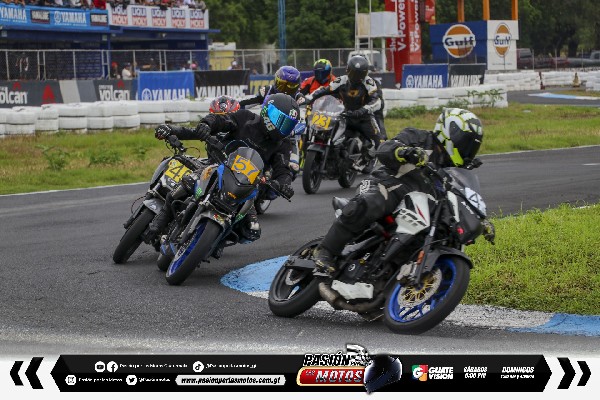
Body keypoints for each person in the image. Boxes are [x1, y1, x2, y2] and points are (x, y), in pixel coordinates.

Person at [312, 108, 495, 275]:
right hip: (386, 183)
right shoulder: (419, 137)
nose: (467, 150)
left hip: (417, 208)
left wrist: (479, 219)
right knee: (374, 201)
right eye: (465, 143)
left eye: (472, 147)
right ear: (449, 132)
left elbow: (463, 194)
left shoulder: (455, 170)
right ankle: (326, 251)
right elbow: (384, 149)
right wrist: (404, 152)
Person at [150, 93, 299, 244]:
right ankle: (163, 216)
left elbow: (283, 169)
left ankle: (217, 241)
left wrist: (284, 184)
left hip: (246, 186)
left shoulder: (283, 144)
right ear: (268, 111)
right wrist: (207, 124)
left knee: (252, 230)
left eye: (287, 124)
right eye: (280, 120)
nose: (282, 127)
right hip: (218, 166)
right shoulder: (245, 118)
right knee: (189, 181)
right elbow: (222, 120)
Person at [304, 56, 382, 172]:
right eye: (353, 72)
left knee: (379, 143)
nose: (355, 76)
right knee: (327, 133)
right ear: (347, 70)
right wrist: (308, 98)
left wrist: (363, 110)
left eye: (358, 74)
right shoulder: (341, 80)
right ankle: (329, 156)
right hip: (345, 116)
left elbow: (377, 101)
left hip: (364, 118)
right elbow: (324, 90)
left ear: (364, 73)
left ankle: (364, 160)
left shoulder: (369, 83)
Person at [239, 66, 305, 109]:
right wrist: (236, 106)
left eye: (289, 87)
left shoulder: (298, 96)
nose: (284, 89)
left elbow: (305, 107)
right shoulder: (267, 90)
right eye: (281, 84)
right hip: (266, 122)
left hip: (289, 124)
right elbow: (244, 103)